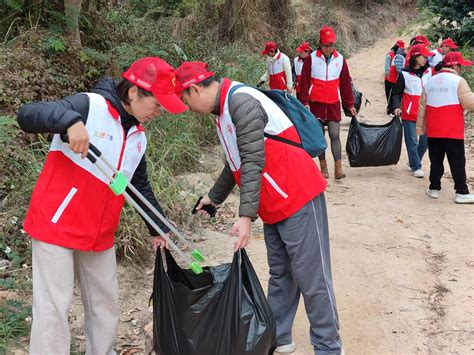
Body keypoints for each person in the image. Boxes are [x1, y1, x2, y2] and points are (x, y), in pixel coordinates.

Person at [17, 57, 187, 354]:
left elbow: (139, 185)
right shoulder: (88, 106)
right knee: (54, 308)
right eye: (157, 104)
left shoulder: (137, 136)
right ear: (134, 92)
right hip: (57, 224)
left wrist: (158, 227)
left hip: (98, 232)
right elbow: (28, 114)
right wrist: (69, 122)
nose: (158, 112)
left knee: (105, 303)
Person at [175, 62, 343, 354]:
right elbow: (235, 162)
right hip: (273, 203)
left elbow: (252, 160)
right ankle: (279, 336)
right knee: (281, 274)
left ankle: (328, 346)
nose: (186, 107)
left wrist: (245, 217)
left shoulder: (241, 102)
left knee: (312, 276)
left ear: (193, 89)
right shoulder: (223, 111)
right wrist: (214, 198)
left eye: (184, 100)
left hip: (297, 195)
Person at [300, 26, 356, 179]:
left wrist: (350, 104)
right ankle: (323, 166)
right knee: (319, 136)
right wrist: (304, 101)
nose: (328, 49)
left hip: (332, 103)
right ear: (320, 43)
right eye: (325, 45)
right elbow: (304, 82)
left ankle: (338, 167)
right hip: (315, 104)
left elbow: (345, 84)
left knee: (334, 134)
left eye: (330, 45)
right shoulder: (311, 58)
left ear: (334, 45)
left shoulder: (340, 60)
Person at [417, 51, 474, 204]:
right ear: (455, 65)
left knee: (436, 160)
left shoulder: (430, 81)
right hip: (452, 130)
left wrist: (420, 129)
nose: (461, 68)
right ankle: (461, 191)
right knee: (457, 161)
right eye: (460, 65)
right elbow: (469, 103)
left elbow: (422, 107)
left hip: (434, 130)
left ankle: (434, 188)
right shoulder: (458, 80)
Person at [390, 44, 434, 178]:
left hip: (426, 112)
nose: (426, 59)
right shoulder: (404, 74)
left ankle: (413, 161)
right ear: (415, 57)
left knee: (425, 141)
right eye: (423, 56)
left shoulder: (429, 72)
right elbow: (396, 93)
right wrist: (397, 106)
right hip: (409, 113)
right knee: (412, 141)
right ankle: (416, 166)